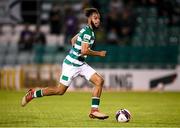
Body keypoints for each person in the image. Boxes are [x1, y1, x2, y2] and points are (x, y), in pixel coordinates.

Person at [21, 8, 109, 120]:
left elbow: (73, 40)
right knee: (60, 91)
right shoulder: (88, 33)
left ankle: (94, 111)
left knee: (99, 81)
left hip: (80, 63)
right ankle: (33, 93)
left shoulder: (86, 30)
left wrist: (75, 51)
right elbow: (84, 51)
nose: (98, 21)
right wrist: (99, 53)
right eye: (95, 18)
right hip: (71, 65)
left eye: (99, 18)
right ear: (89, 19)